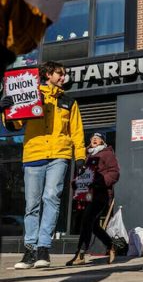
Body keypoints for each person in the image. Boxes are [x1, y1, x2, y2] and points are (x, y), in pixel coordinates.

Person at [3, 61, 86, 269]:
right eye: (60, 73)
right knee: (32, 204)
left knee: (51, 197)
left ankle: (43, 249)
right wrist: (6, 111)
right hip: (34, 154)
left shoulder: (69, 101)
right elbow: (16, 124)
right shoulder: (30, 94)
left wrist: (81, 157)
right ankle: (29, 251)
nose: (63, 77)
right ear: (48, 74)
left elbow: (76, 131)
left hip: (59, 154)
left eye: (64, 74)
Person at [66, 132, 120, 266]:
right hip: (86, 195)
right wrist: (75, 182)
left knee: (87, 220)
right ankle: (111, 245)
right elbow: (84, 175)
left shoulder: (107, 154)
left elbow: (114, 173)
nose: (94, 139)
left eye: (98, 138)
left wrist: (99, 182)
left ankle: (80, 253)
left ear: (102, 142)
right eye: (92, 138)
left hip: (100, 194)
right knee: (93, 225)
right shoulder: (87, 156)